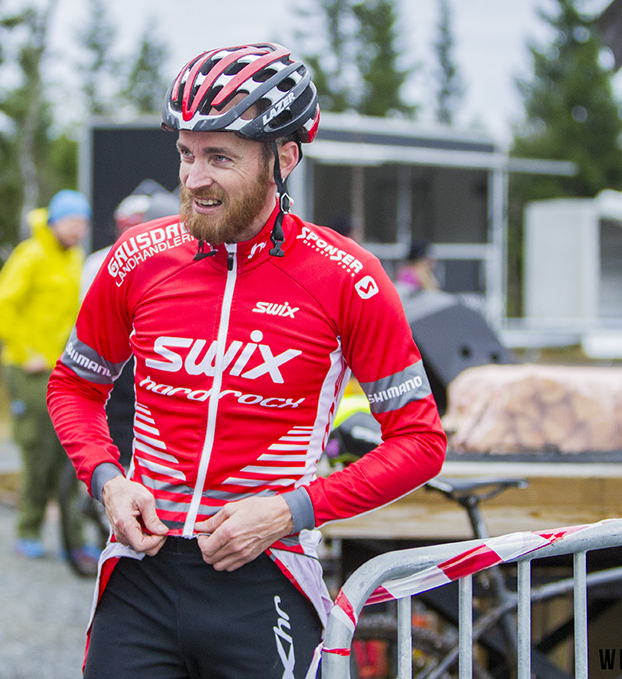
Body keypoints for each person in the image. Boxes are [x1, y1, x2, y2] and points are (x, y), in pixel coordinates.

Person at [47, 42, 448, 678]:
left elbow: (420, 443)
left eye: (219, 157)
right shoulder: (137, 258)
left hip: (268, 572)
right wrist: (108, 479)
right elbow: (74, 387)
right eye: (186, 153)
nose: (193, 179)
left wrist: (291, 511)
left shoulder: (348, 277)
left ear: (282, 158)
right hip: (142, 576)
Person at [0, 189, 90, 559]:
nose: (78, 230)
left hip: (64, 368)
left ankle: (73, 540)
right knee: (37, 451)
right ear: (55, 221)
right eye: (72, 221)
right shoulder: (31, 254)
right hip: (28, 370)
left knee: (69, 453)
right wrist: (26, 351)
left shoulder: (75, 258)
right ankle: (28, 530)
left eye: (83, 223)